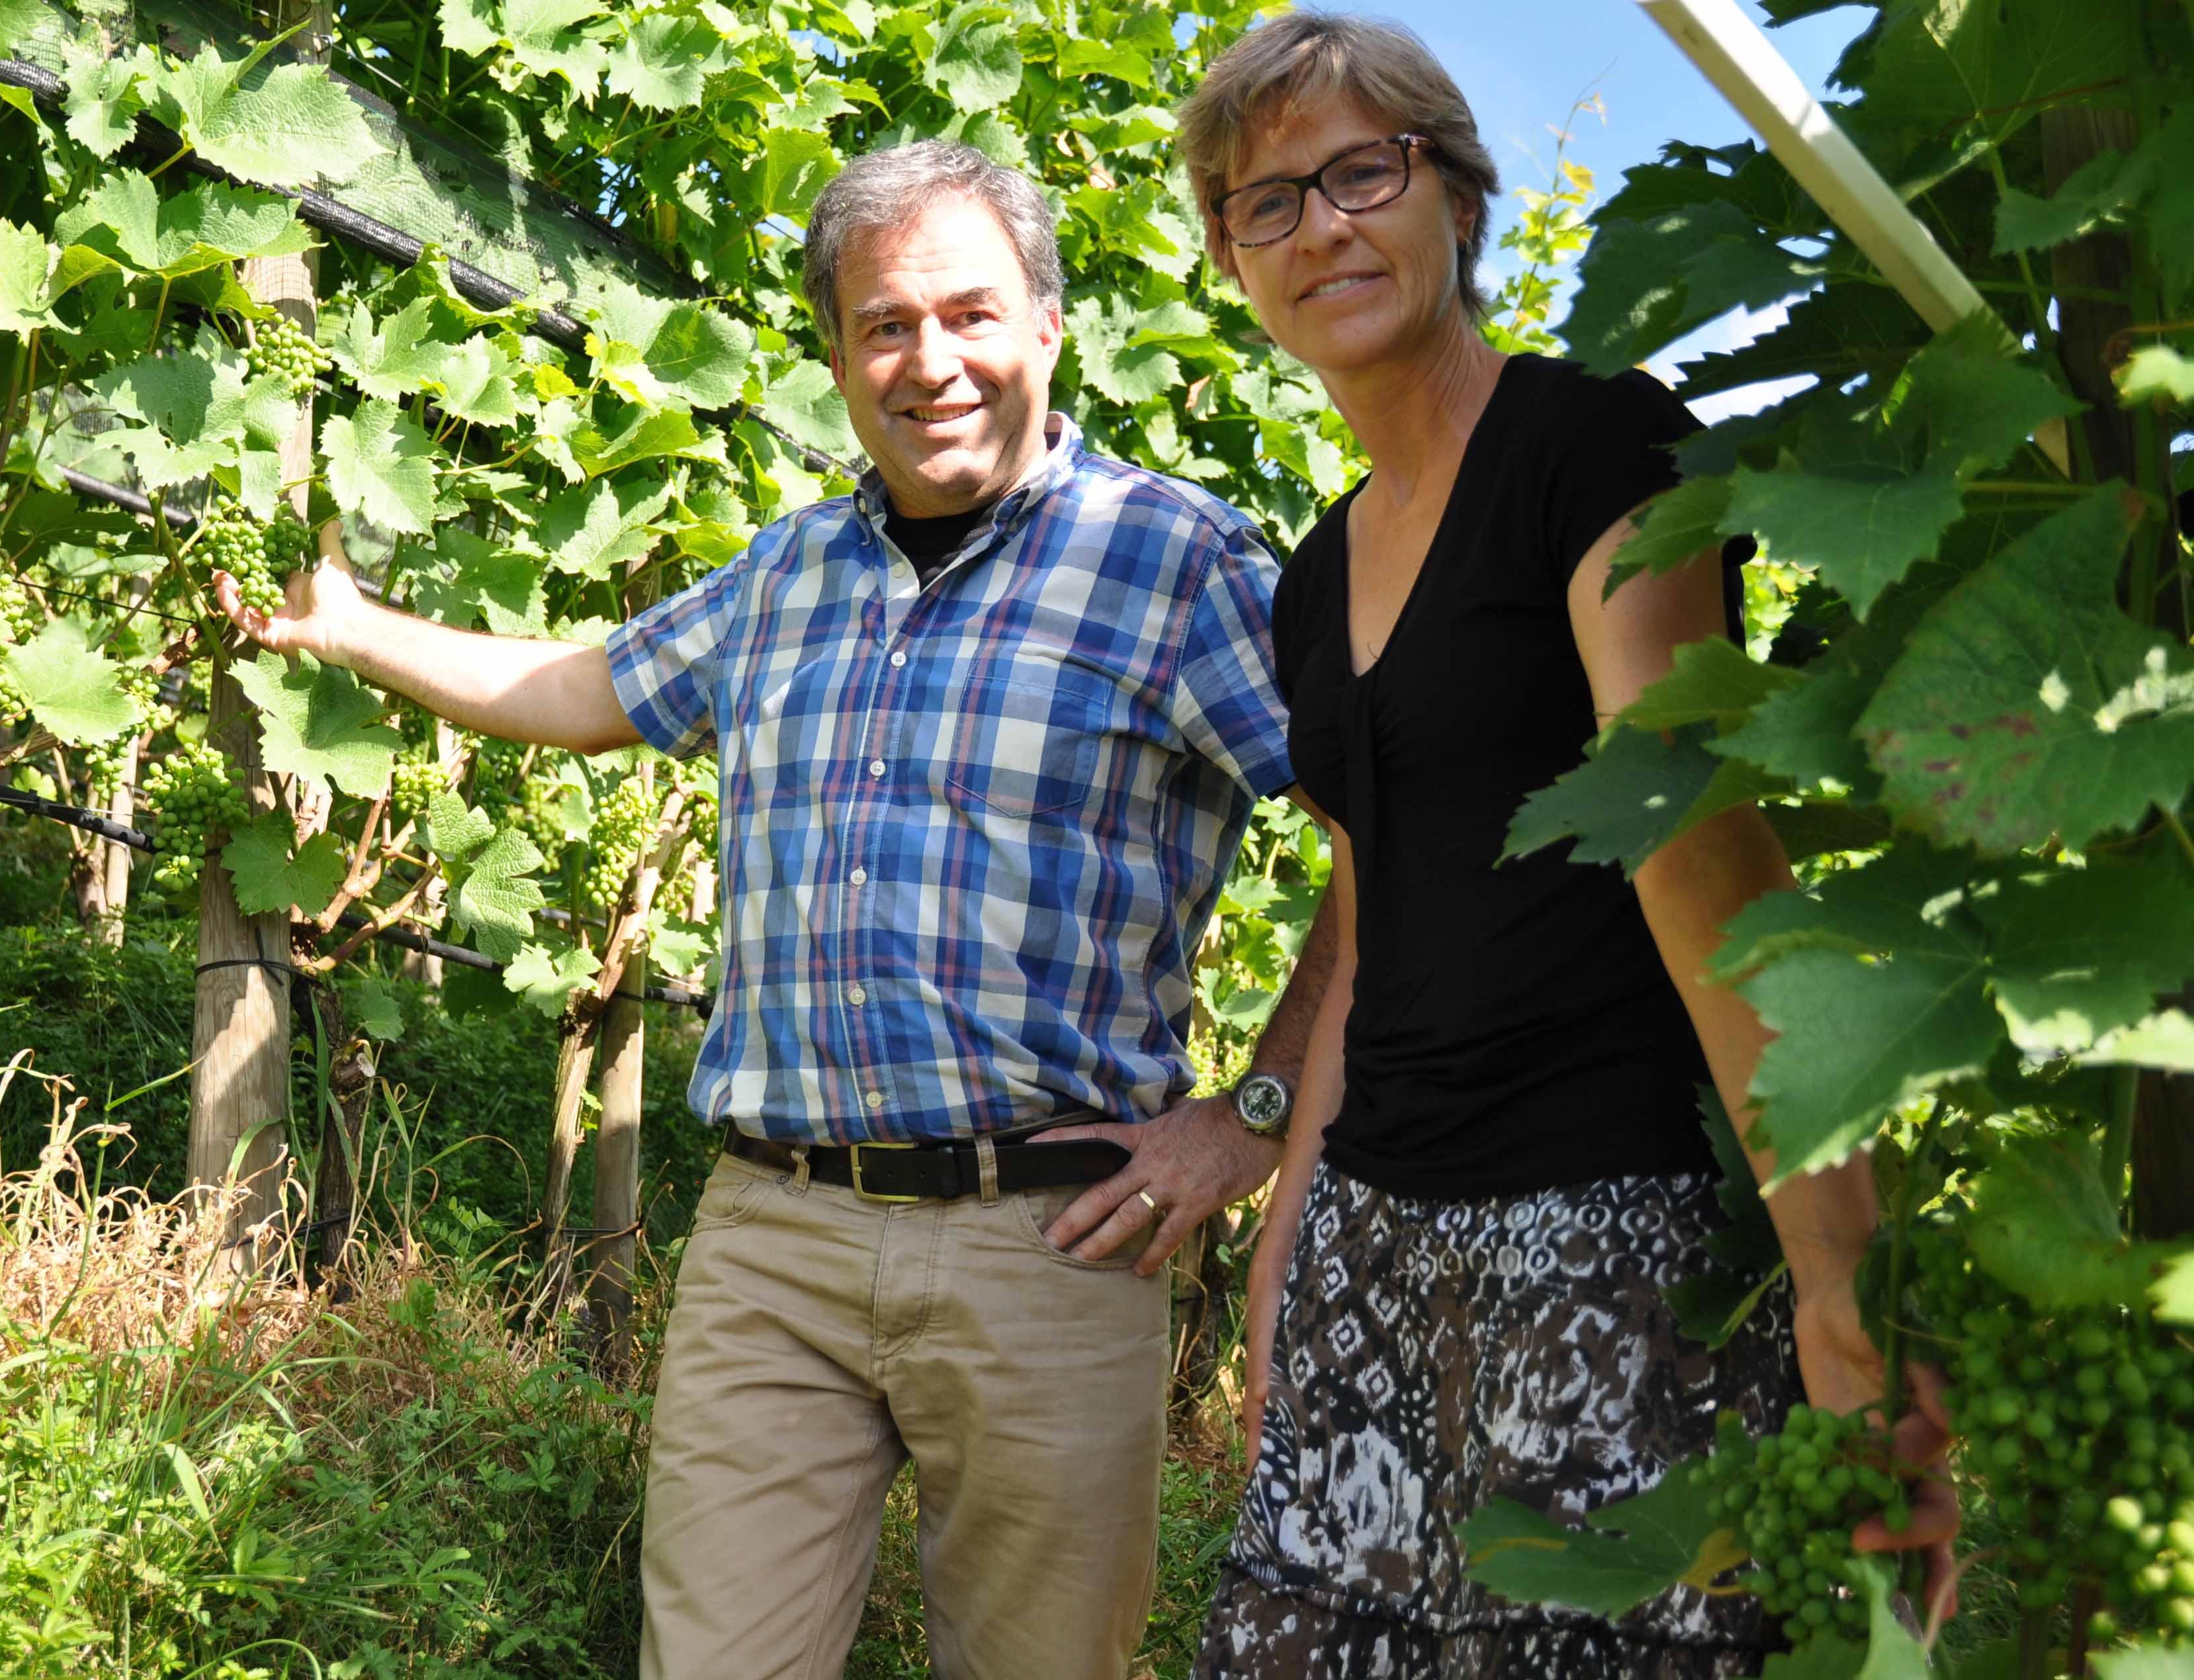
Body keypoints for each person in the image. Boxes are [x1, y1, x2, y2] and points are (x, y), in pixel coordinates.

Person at [219, 139, 1340, 1680]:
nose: (928, 360)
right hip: (773, 1233)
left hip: (1055, 1240)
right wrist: (346, 625)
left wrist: (1254, 1117)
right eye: (884, 324)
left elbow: (1383, 835)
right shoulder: (788, 574)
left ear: (1047, 328)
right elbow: (582, 686)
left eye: (969, 314)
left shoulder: (1176, 562)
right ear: (835, 350)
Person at [1168, 14, 1958, 1677]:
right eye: (1264, 202)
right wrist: (1287, 1266)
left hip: (1610, 1231)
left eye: (1359, 173)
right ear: (1234, 258)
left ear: (1456, 194)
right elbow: (1367, 933)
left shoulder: (1592, 445)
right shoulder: (1312, 576)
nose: (1318, 226)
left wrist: (1839, 1281)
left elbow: (1699, 845)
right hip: (1378, 1238)